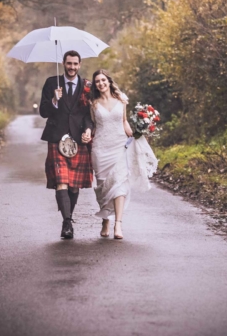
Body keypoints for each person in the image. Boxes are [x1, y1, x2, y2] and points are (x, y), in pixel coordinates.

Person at [90, 69, 158, 240]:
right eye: (97, 81)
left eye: (103, 80)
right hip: (100, 148)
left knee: (119, 184)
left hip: (119, 146)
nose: (101, 83)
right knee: (103, 186)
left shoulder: (122, 99)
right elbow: (93, 126)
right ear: (95, 85)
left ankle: (118, 224)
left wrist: (136, 134)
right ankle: (105, 219)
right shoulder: (93, 104)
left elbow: (124, 121)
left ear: (109, 81)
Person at [40, 50, 94, 239]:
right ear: (63, 63)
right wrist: (55, 100)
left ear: (80, 65)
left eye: (75, 64)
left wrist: (88, 130)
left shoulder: (87, 86)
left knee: (74, 185)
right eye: (69, 63)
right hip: (57, 138)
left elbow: (89, 115)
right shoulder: (51, 83)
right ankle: (67, 222)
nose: (72, 67)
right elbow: (43, 112)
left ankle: (68, 218)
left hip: (78, 140)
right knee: (61, 181)